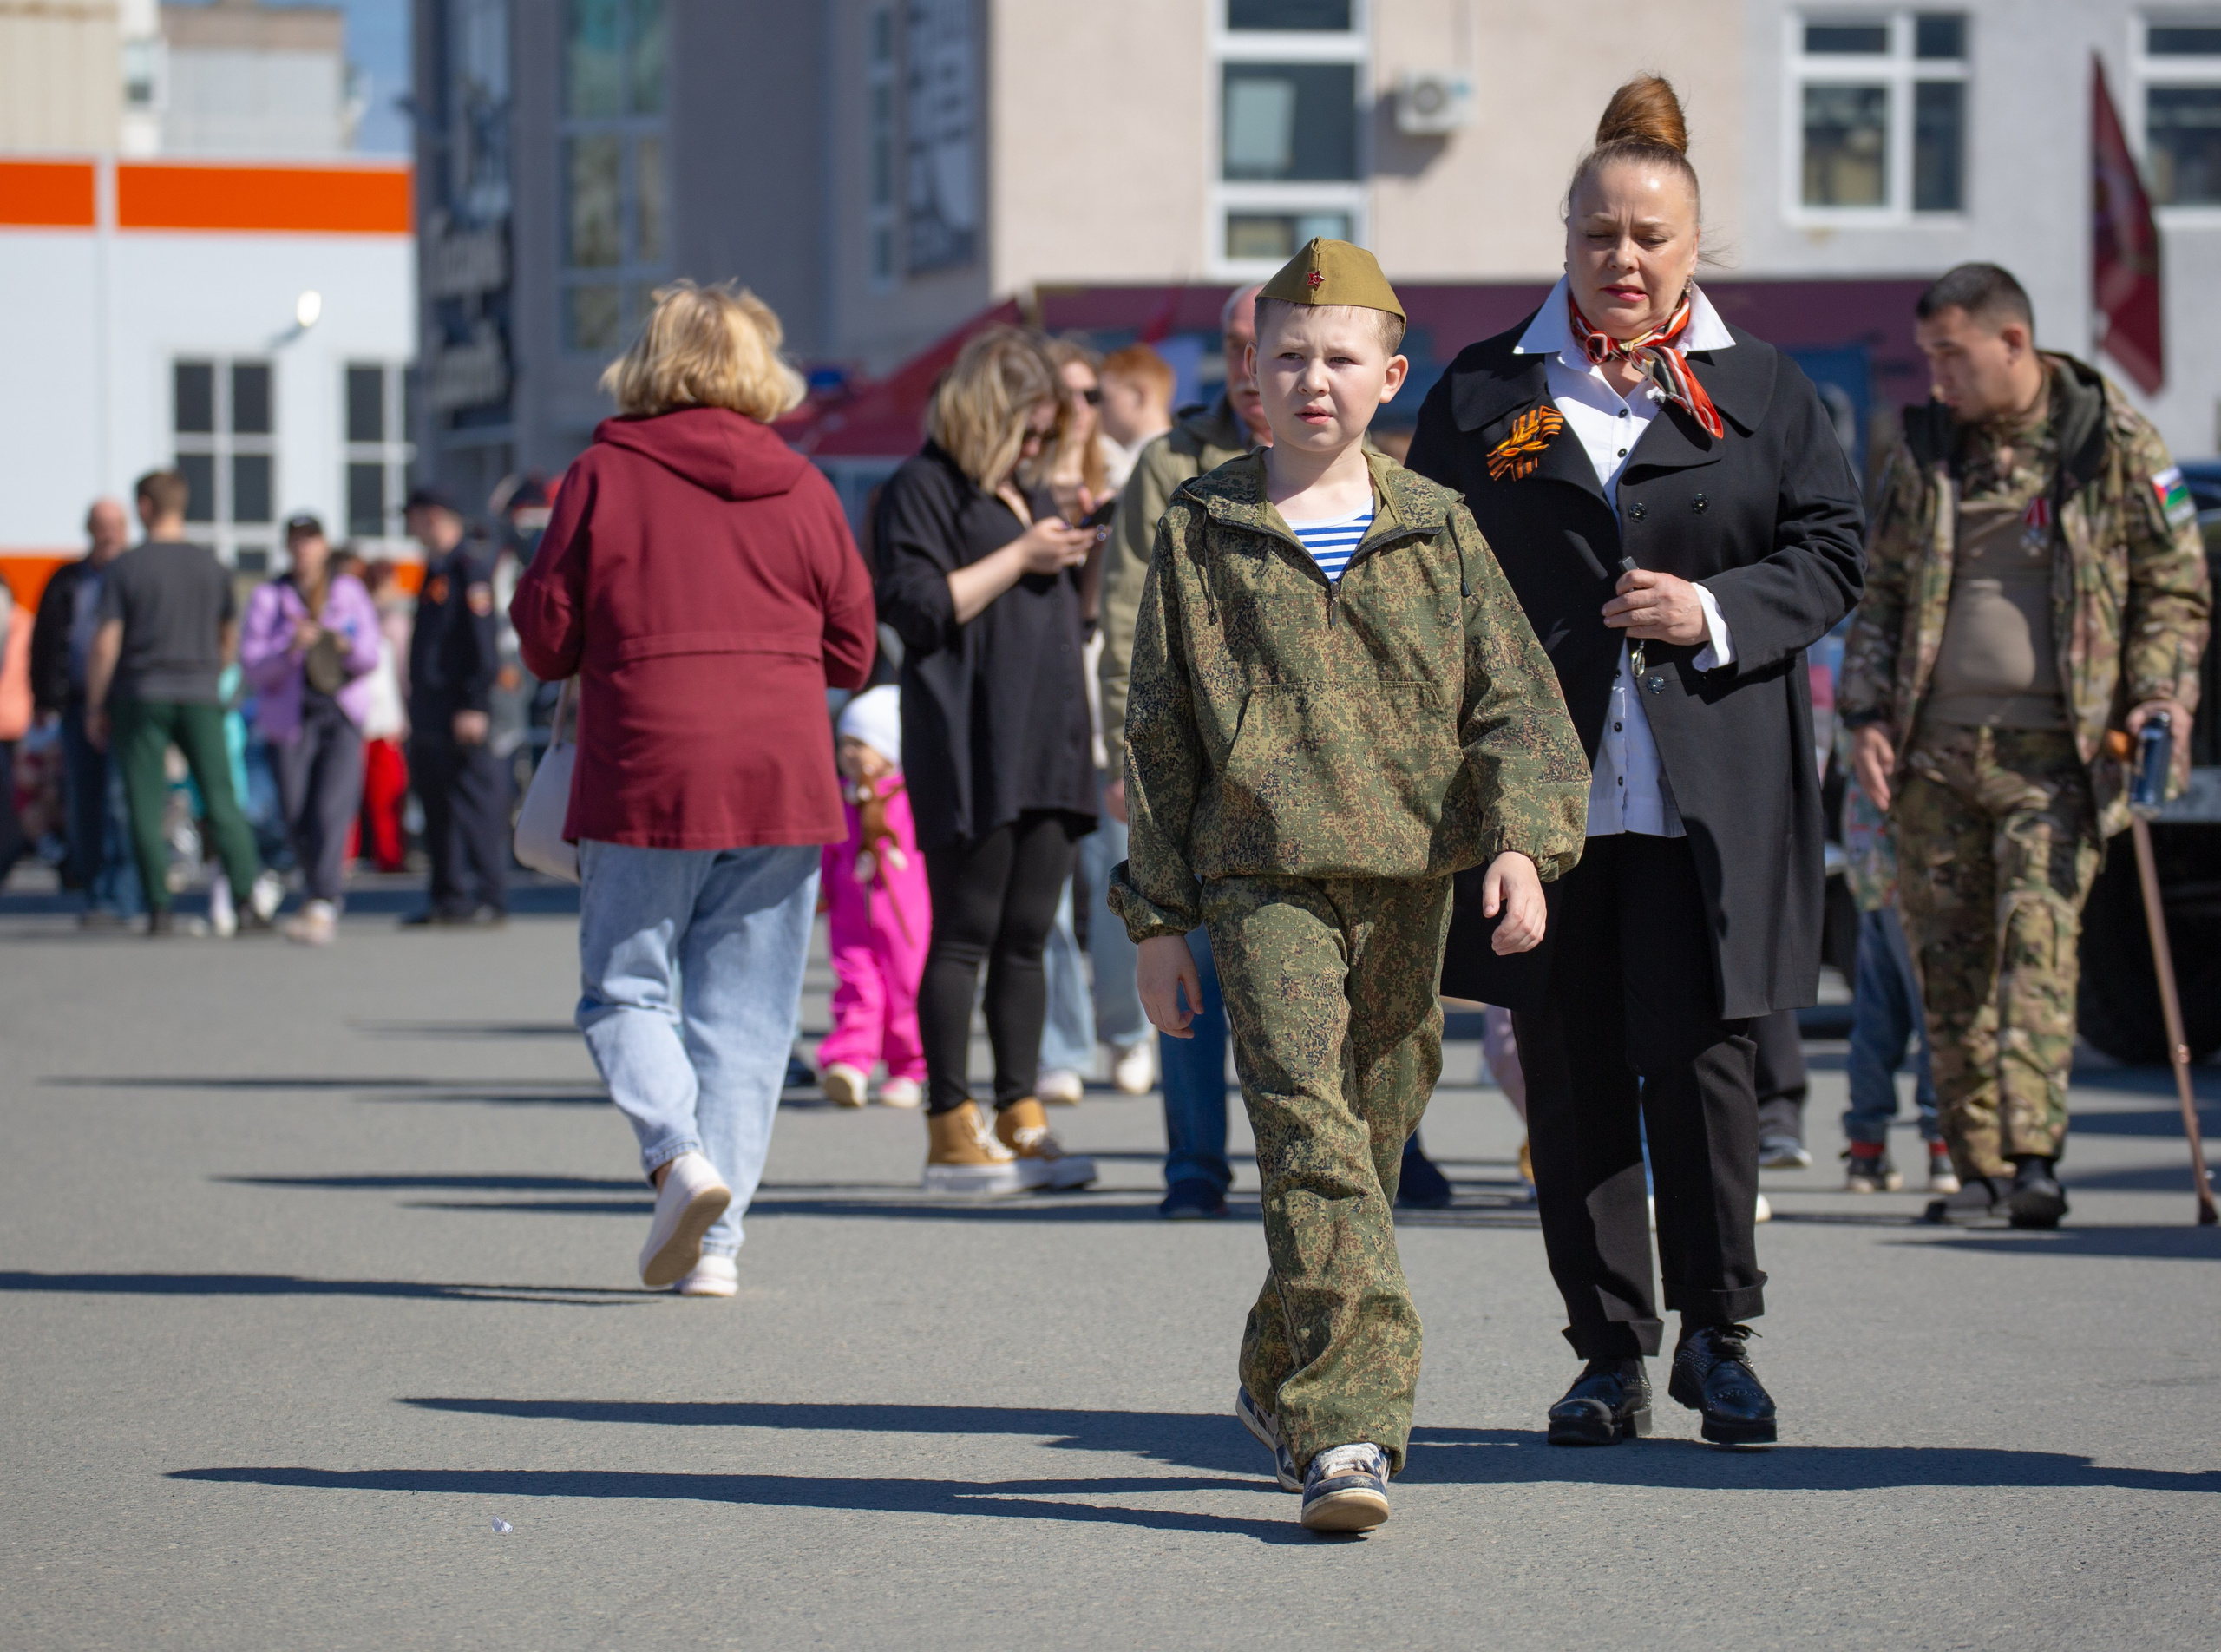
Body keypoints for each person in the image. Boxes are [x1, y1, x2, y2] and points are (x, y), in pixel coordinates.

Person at [1407, 76, 1865, 1449]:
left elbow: (1833, 553)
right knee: (1572, 1071)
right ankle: (1607, 1351)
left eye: (1651, 237)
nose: (1623, 258)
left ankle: (1720, 1338)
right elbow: (1422, 576)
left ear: (1693, 243)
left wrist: (1712, 610)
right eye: (1598, 232)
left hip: (1705, 795)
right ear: (1565, 234)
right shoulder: (1486, 389)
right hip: (1539, 801)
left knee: (1707, 1066)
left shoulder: (1762, 387)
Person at [1115, 239, 1588, 1532]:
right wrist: (1158, 919)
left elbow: (1513, 701)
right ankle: (1348, 1431)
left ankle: (1277, 1364)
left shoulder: (1438, 526)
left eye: (1339, 358)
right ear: (1251, 379)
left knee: (1367, 1142)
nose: (1312, 380)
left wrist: (1520, 844)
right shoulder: (1202, 524)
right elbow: (1158, 730)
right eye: (1287, 357)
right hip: (1259, 877)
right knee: (1307, 1134)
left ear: (1390, 376)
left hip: (1405, 876)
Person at [513, 279, 877, 1296]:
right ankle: (718, 1247)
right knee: (749, 1017)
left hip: (647, 766)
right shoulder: (804, 485)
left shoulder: (601, 475)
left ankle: (677, 1156)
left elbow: (545, 638)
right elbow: (853, 646)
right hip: (780, 772)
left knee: (625, 987)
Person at [1841, 262, 2211, 1229]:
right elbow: (1882, 591)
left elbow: (2173, 585)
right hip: (1933, 753)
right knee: (1948, 960)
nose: (1936, 378)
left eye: (1950, 356)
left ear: (2014, 342)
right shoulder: (1928, 449)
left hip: (2058, 753)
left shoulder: (2112, 441)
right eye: (1927, 358)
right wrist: (1866, 716)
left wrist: (2160, 692)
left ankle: (2036, 1155)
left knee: (2037, 945)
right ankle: (1980, 1167)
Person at [874, 324, 1101, 1194]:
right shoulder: (922, 486)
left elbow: (1065, 616)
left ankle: (1020, 1115)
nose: (1037, 444)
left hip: (1047, 740)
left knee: (1028, 938)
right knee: (965, 933)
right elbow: (918, 608)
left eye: (1045, 431)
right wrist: (1022, 554)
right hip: (971, 742)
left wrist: (1075, 545)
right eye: (1027, 428)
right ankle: (949, 1126)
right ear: (988, 413)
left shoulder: (1023, 488)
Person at [1098, 283, 1270, 1218]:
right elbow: (1126, 614)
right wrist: (1125, 757)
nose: (1250, 367)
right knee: (1185, 958)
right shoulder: (1171, 462)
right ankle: (1194, 1165)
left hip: (1313, 769)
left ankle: (1390, 1157)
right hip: (1194, 764)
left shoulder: (1344, 454)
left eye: (1264, 344)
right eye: (1235, 345)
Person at [82, 470, 271, 936]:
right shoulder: (213, 566)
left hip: (142, 693)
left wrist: (95, 703)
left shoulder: (127, 567)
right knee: (221, 797)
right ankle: (246, 900)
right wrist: (213, 675)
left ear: (145, 507)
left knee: (145, 803)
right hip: (201, 693)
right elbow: (228, 638)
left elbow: (106, 643)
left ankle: (159, 907)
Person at [239, 515, 381, 945]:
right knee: (296, 808)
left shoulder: (347, 591)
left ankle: (324, 897)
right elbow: (253, 666)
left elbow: (371, 654)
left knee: (331, 807)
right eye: (297, 541)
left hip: (339, 712)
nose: (304, 549)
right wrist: (290, 648)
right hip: (292, 718)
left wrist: (344, 645)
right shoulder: (270, 596)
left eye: (311, 540)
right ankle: (314, 887)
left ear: (324, 546)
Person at [1836, 751, 1952, 1194]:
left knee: (1877, 1014)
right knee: (1937, 1010)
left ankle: (1866, 1150)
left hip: (1872, 863)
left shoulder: (1862, 714)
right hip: (1925, 863)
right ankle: (1944, 1144)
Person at [30, 498, 144, 924]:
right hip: (78, 704)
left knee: (122, 801)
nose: (109, 533)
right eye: (101, 524)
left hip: (128, 704)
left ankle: (125, 895)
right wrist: (43, 698)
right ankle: (96, 891)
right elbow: (45, 640)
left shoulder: (137, 575)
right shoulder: (68, 579)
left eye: (116, 524)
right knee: (83, 801)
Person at [817, 685, 929, 1111]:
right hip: (850, 913)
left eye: (859, 743)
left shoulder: (908, 797)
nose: (849, 753)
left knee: (905, 988)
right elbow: (830, 848)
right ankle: (851, 1062)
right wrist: (822, 889)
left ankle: (908, 1067)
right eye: (844, 743)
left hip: (904, 917)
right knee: (855, 985)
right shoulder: (842, 796)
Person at [402, 484, 506, 927]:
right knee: (437, 803)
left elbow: (482, 646)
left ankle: (489, 894)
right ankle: (449, 896)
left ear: (433, 516)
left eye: (412, 515)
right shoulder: (436, 569)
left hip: (459, 708)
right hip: (430, 708)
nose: (408, 525)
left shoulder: (468, 569)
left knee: (473, 802)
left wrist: (475, 703)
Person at [355, 557, 412, 874]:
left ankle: (384, 854)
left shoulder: (388, 620)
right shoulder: (383, 622)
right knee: (374, 792)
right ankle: (373, 854)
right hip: (372, 717)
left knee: (384, 793)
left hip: (381, 718)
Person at [1097, 344, 1176, 488]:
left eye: (1104, 397)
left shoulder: (1169, 462)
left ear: (1140, 396)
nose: (1096, 408)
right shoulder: (1185, 457)